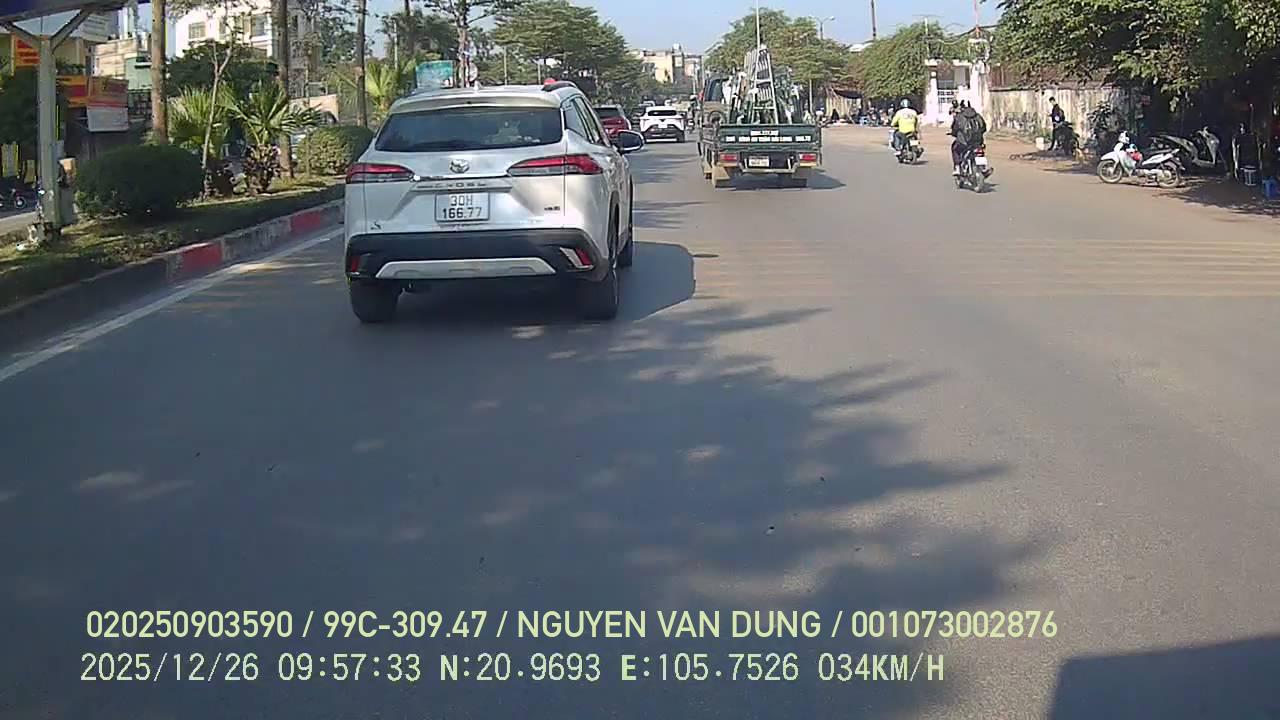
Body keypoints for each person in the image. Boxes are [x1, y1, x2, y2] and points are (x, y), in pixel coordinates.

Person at [950, 100, 987, 175]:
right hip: (978, 142)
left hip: (964, 142)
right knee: (980, 150)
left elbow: (954, 128)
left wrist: (954, 133)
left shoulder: (959, 117)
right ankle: (983, 168)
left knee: (954, 148)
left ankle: (957, 167)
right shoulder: (978, 116)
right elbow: (984, 128)